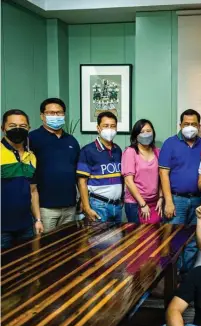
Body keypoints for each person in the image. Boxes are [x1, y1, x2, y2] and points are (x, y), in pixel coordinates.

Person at [159, 109, 201, 273]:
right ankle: (172, 276)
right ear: (180, 125)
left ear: (199, 125)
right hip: (176, 200)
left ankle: (187, 275)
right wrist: (169, 202)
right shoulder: (170, 143)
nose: (190, 127)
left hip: (198, 200)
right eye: (186, 124)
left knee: (193, 239)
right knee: (172, 239)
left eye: (194, 124)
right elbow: (163, 174)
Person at [28, 98, 80, 232]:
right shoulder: (32, 139)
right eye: (51, 113)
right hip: (45, 208)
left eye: (59, 113)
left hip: (70, 206)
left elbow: (77, 172)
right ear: (42, 116)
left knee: (67, 246)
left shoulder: (71, 140)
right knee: (45, 248)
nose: (55, 116)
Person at [1, 109, 43, 248]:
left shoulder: (31, 156)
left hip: (26, 227)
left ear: (29, 129)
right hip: (2, 229)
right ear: (3, 128)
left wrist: (37, 219)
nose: (18, 130)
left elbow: (33, 191)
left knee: (25, 265)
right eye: (12, 126)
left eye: (23, 126)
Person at [77, 111, 123, 223]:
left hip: (117, 206)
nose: (110, 129)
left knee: (117, 239)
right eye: (105, 126)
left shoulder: (118, 150)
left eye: (113, 126)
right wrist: (87, 208)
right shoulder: (88, 151)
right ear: (98, 128)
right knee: (98, 239)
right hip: (98, 205)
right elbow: (82, 182)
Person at [121, 119, 162, 223]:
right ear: (136, 135)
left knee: (154, 237)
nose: (146, 134)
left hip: (155, 202)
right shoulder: (131, 152)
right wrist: (142, 204)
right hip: (136, 203)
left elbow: (161, 178)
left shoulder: (157, 152)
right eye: (142, 132)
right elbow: (128, 181)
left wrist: (161, 198)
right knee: (138, 237)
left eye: (148, 131)